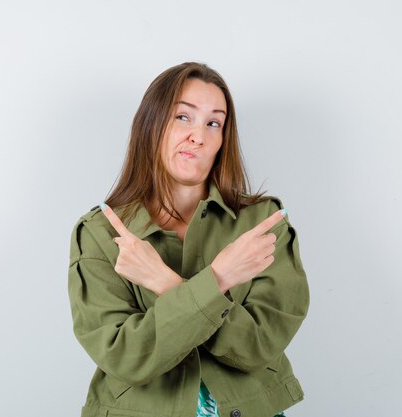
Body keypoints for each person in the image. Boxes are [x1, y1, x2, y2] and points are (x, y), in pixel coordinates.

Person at [67, 62, 310, 417]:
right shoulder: (100, 233)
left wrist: (167, 284)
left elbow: (260, 345)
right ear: (152, 124)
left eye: (214, 123)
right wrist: (219, 280)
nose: (198, 135)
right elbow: (125, 356)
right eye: (183, 117)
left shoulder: (261, 223)